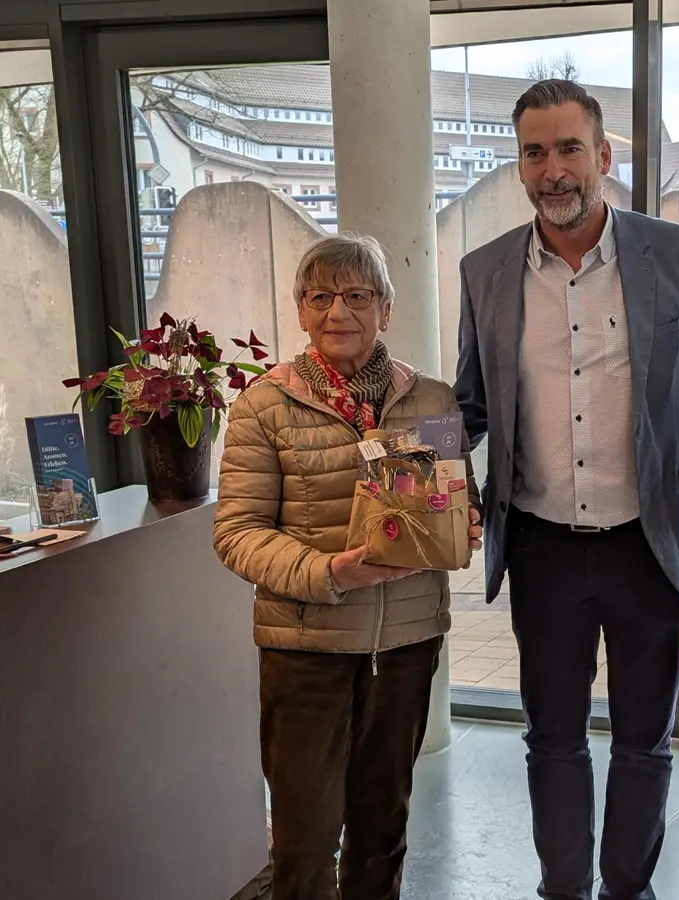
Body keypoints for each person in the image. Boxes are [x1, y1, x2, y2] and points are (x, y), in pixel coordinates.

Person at [453, 79, 679, 900]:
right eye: (535, 152)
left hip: (650, 543)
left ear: (604, 155)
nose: (554, 169)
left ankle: (627, 889)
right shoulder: (485, 272)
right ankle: (563, 889)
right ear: (519, 166)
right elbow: (468, 407)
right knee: (552, 739)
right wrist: (409, 449)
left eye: (569, 147)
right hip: (540, 547)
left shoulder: (678, 258)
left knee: (645, 739)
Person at [213, 233, 482, 900]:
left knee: (381, 828)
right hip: (308, 650)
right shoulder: (263, 407)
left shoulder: (431, 400)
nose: (340, 311)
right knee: (303, 843)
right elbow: (237, 533)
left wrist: (464, 525)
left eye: (358, 296)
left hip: (406, 648)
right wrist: (330, 571)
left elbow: (455, 499)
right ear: (301, 311)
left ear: (385, 309)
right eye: (322, 296)